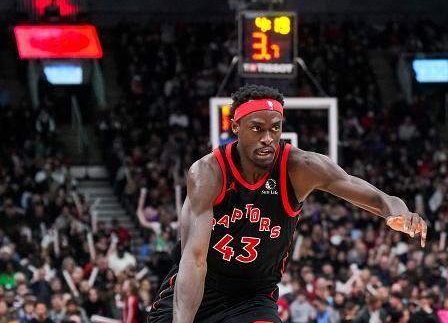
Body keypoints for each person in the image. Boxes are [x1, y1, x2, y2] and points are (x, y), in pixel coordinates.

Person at [148, 84, 428, 323]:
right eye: (257, 129)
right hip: (200, 286)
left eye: (275, 128)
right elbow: (194, 261)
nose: (267, 138)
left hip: (254, 295)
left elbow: (378, 197)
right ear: (236, 126)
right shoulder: (209, 173)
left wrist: (400, 212)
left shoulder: (300, 167)